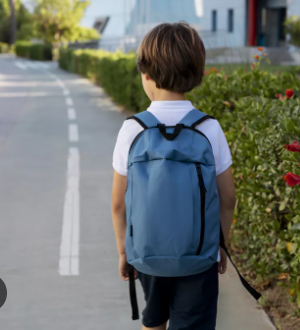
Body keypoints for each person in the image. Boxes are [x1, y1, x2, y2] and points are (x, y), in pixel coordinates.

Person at [110, 22, 235, 330]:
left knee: (153, 322)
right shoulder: (209, 128)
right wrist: (220, 244)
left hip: (147, 256)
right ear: (197, 73)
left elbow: (117, 203)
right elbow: (228, 197)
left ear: (147, 74)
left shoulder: (132, 130)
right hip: (198, 256)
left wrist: (124, 250)